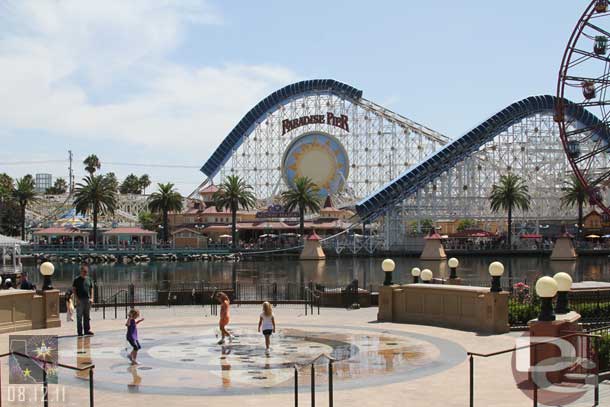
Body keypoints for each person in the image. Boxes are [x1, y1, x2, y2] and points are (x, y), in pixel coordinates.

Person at [72, 264, 94, 336]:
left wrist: (92, 298)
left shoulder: (89, 279)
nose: (85, 273)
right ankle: (80, 332)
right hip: (80, 300)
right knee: (79, 316)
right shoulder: (76, 280)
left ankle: (87, 330)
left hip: (87, 299)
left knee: (87, 316)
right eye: (84, 271)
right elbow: (74, 290)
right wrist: (76, 299)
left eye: (86, 271)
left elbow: (91, 288)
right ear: (81, 271)